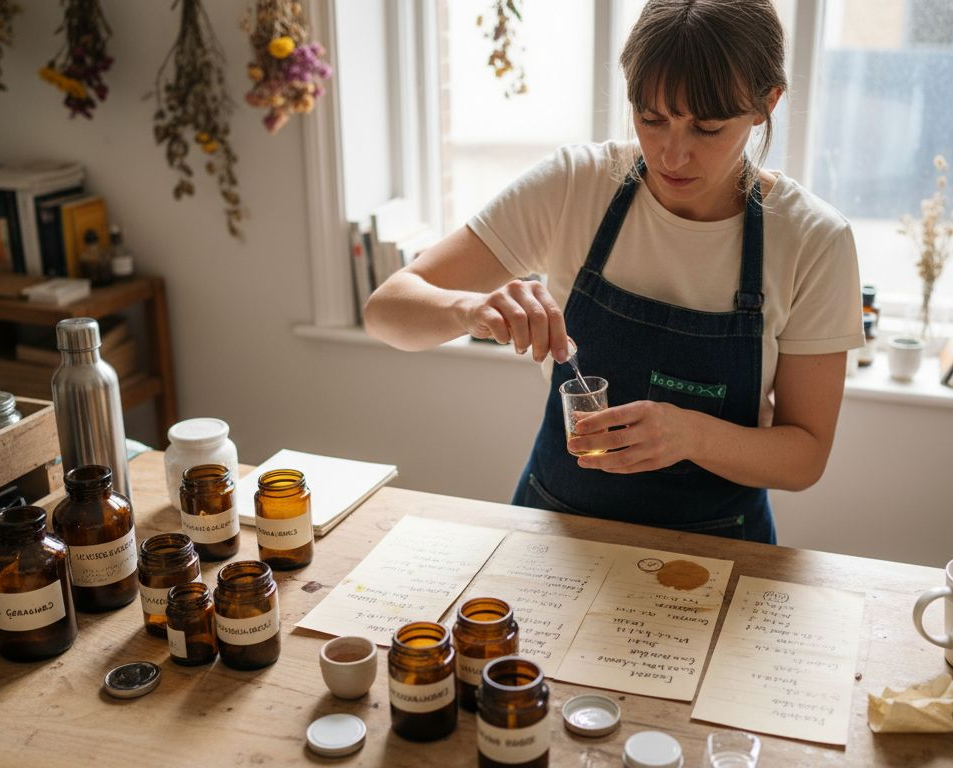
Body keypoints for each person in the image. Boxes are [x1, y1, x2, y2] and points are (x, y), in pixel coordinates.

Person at [364, 0, 862, 543]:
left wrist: (690, 434)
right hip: (554, 534)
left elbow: (805, 457)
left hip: (718, 552)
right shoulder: (576, 185)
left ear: (767, 104)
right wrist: (471, 309)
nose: (672, 154)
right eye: (652, 118)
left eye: (708, 127)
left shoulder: (813, 240)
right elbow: (387, 311)